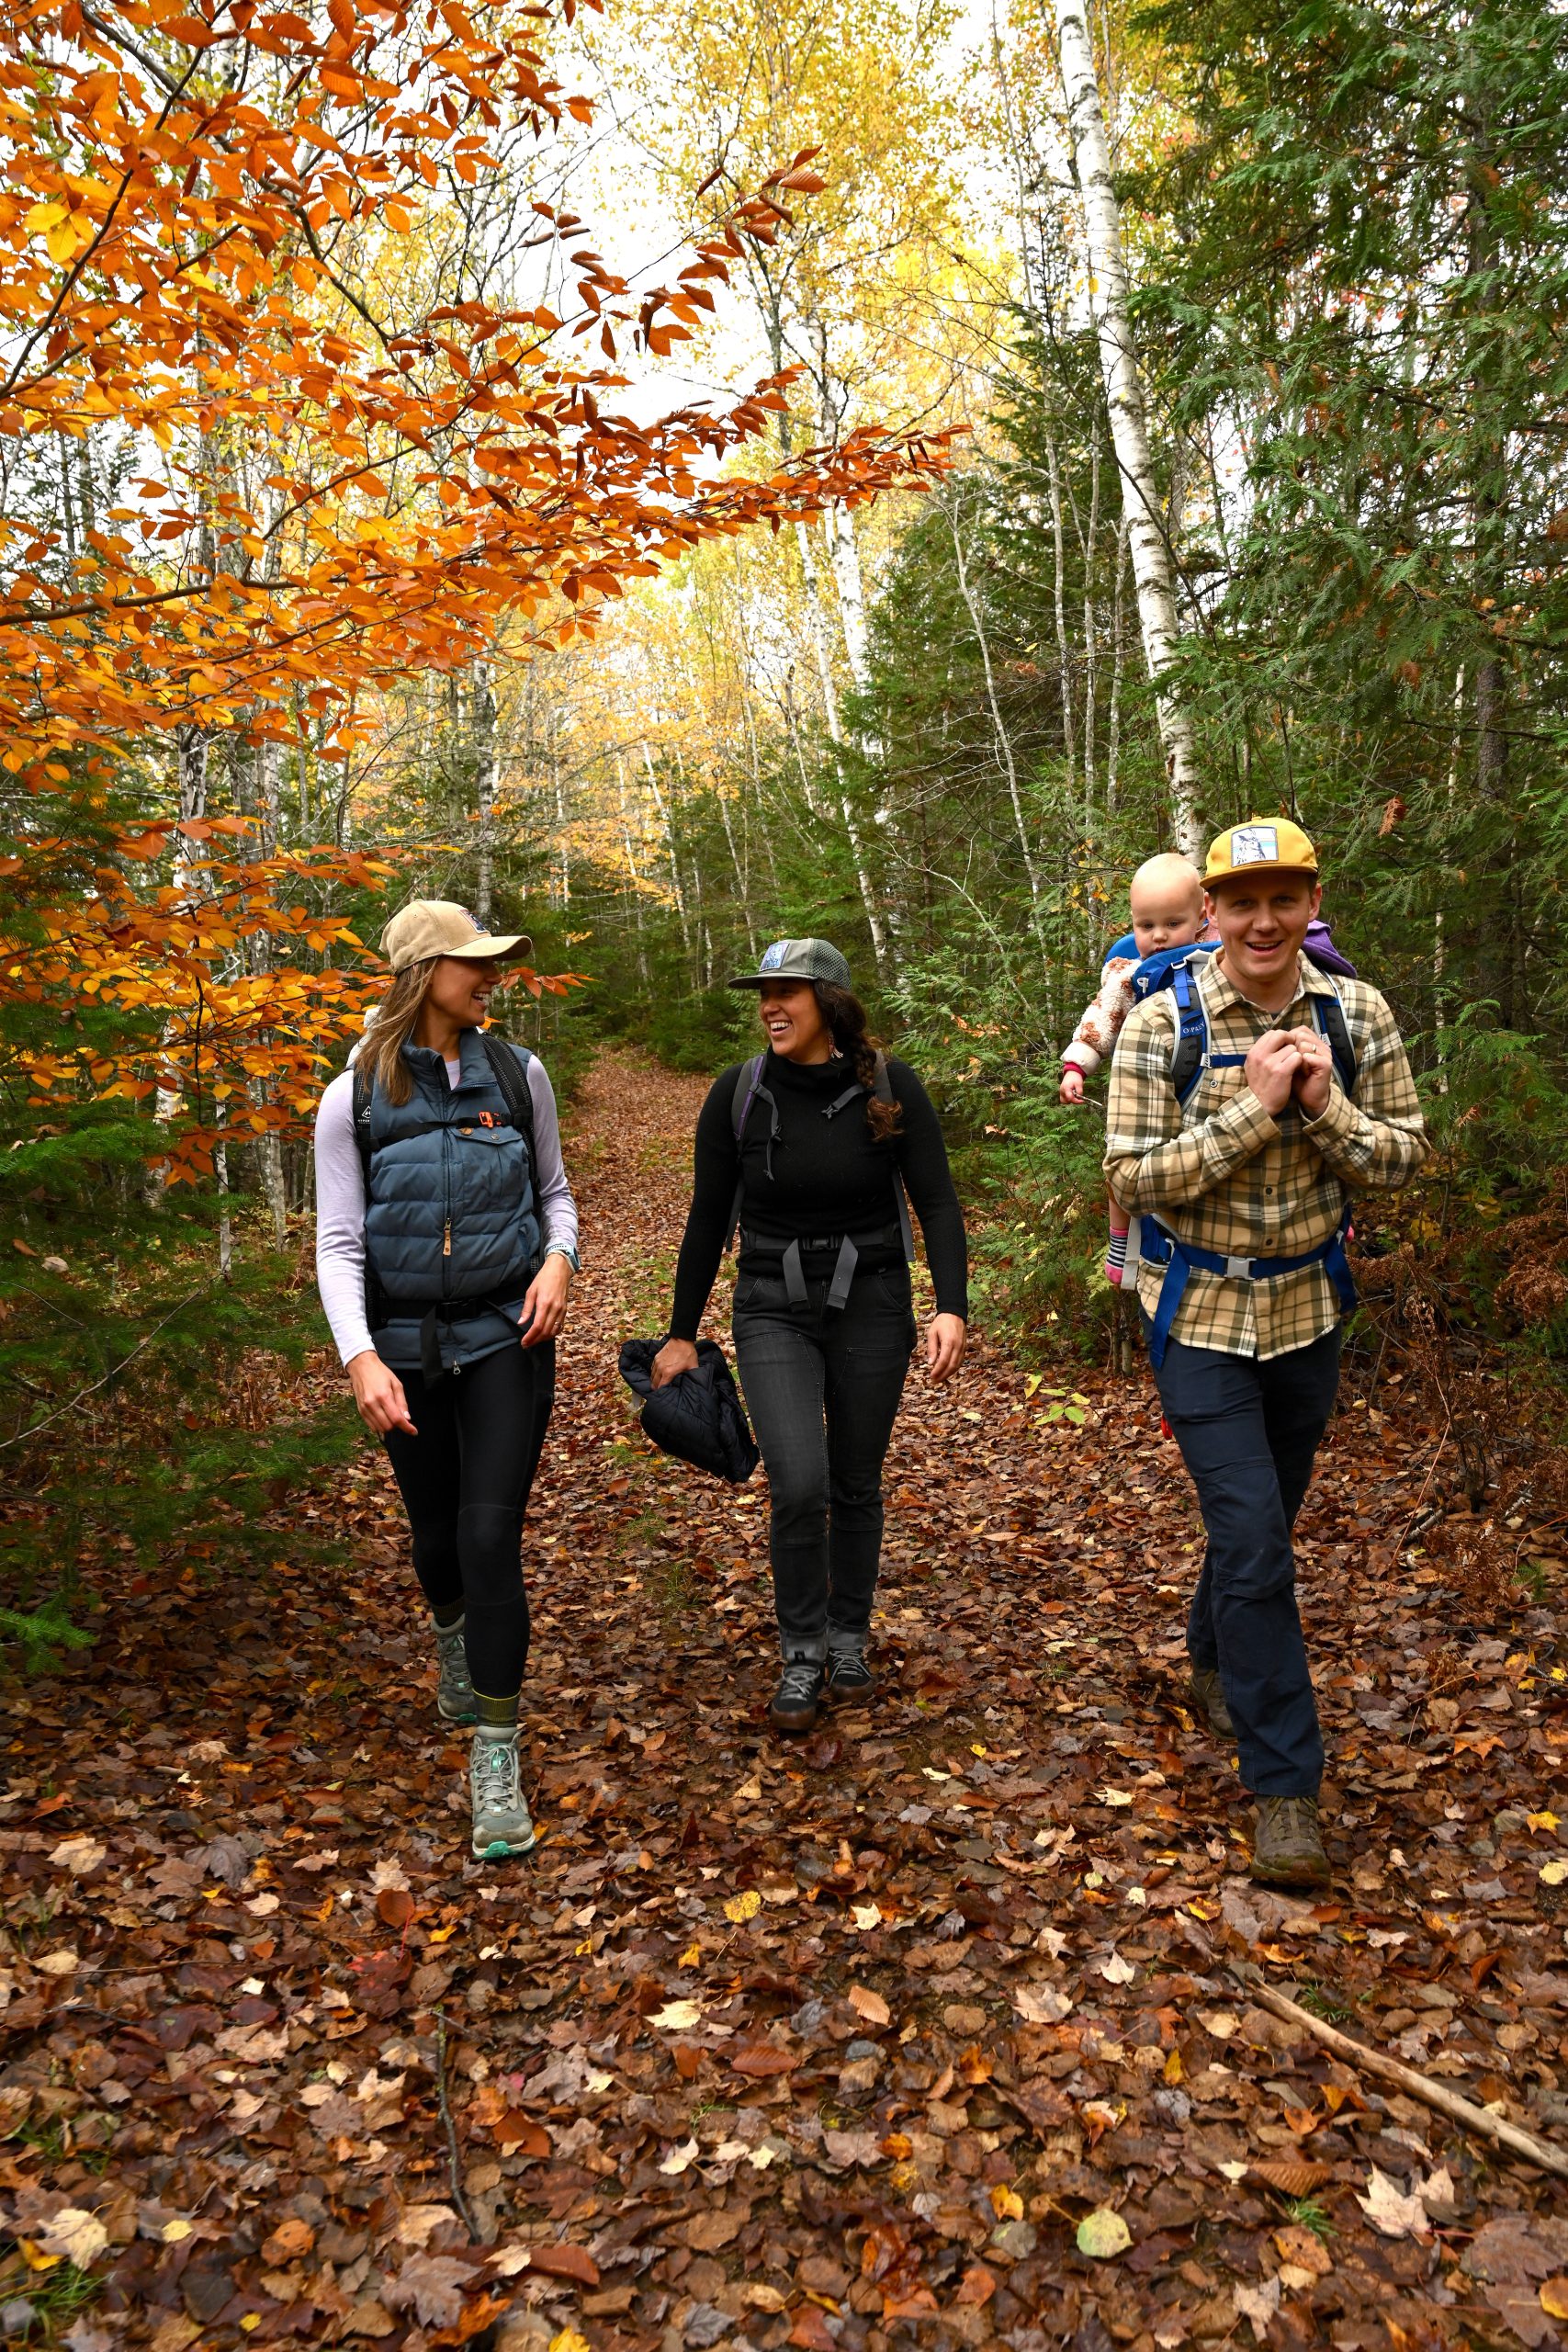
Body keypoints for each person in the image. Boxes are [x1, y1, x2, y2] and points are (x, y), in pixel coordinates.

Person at [1105, 820, 1427, 1887]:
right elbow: (1136, 1178)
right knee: (1253, 1539)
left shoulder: (1359, 1012)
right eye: (1240, 901)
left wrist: (1327, 1106)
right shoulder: (1162, 1025)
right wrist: (1253, 1108)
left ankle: (1209, 1651)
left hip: (1306, 1316)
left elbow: (1404, 1157)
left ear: (1309, 901)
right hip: (1195, 1317)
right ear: (1210, 913)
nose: (1262, 919)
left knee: (1262, 1528)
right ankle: (1286, 1787)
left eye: (1282, 897)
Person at [313, 899, 580, 1861]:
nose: (491, 976)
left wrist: (559, 1261)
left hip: (507, 1335)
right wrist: (360, 1356)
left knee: (486, 1530)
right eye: (473, 964)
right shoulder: (353, 1094)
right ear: (425, 974)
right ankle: (455, 1638)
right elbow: (340, 1243)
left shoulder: (519, 1073)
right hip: (404, 1348)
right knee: (435, 1539)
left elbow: (554, 1193)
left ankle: (497, 1756)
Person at [652, 938, 968, 1734]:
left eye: (787, 991)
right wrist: (681, 1332)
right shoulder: (738, 1093)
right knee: (798, 1480)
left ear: (828, 1002)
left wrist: (950, 1306)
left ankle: (848, 1637)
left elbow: (936, 1204)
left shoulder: (891, 1088)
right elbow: (704, 1219)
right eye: (764, 991)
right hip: (770, 1305)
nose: (770, 1005)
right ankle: (800, 1649)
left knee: (855, 1481)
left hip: (872, 1301)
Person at [1060, 854, 1214, 1284]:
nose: (1159, 937)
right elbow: (1103, 1015)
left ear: (1204, 914)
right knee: (1120, 1157)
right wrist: (1078, 1065)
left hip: (1204, 1080)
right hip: (1140, 1083)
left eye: (1172, 923)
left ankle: (1320, 1216)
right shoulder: (1129, 973)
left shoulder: (1219, 957)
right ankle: (1121, 1238)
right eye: (1146, 926)